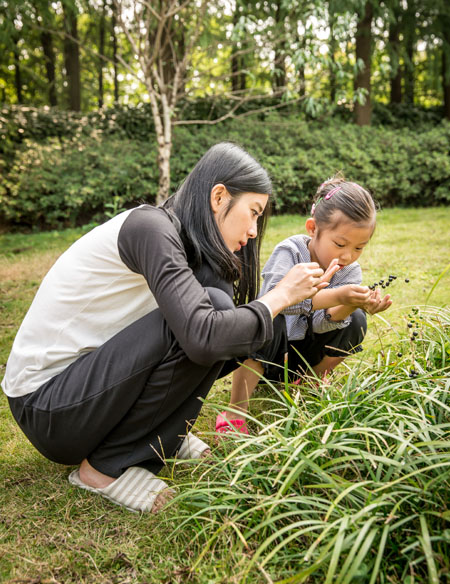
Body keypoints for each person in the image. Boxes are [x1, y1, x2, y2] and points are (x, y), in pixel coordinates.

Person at [1, 142, 337, 513]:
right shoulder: (150, 228)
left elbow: (221, 344)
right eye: (253, 213)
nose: (255, 230)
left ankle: (164, 437)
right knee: (205, 322)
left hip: (87, 393)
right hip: (48, 408)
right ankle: (103, 469)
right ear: (219, 196)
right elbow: (201, 336)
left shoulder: (194, 247)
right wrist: (277, 298)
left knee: (218, 313)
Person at [216, 176, 393, 435]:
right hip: (270, 357)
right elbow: (276, 302)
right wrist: (338, 296)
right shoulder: (290, 251)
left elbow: (325, 322)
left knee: (356, 321)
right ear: (313, 228)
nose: (348, 256)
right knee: (269, 318)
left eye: (359, 248)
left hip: (304, 357)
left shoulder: (348, 271)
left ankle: (309, 382)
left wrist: (351, 304)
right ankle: (236, 410)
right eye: (340, 244)